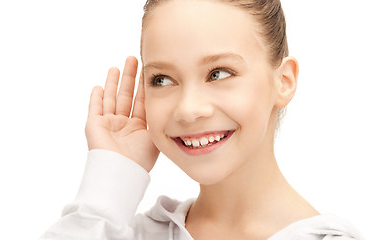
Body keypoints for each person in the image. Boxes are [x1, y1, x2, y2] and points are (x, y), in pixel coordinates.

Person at [40, 0, 364, 239]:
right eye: (163, 79)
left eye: (219, 73)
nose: (188, 109)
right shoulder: (116, 230)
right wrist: (111, 180)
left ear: (284, 81)